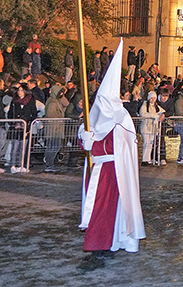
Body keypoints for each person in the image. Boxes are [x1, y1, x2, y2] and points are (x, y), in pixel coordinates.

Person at [78, 40, 145, 269]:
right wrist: (85, 141)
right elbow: (85, 141)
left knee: (106, 209)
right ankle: (103, 241)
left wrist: (93, 145)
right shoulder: (93, 116)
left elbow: (119, 146)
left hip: (113, 172)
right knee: (97, 207)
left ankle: (101, 243)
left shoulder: (121, 118)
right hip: (95, 170)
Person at [8, 86, 37, 173]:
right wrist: (12, 122)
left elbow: (33, 113)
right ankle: (13, 165)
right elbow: (10, 113)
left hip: (25, 127)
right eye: (18, 90)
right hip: (15, 127)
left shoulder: (30, 101)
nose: (19, 92)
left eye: (21, 90)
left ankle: (22, 165)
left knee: (23, 147)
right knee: (15, 146)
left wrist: (28, 125)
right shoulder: (14, 101)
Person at [139, 91, 164, 166]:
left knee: (150, 144)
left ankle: (148, 159)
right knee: (146, 143)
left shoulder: (156, 106)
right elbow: (143, 114)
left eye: (154, 98)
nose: (153, 100)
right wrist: (154, 115)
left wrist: (161, 115)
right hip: (146, 127)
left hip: (153, 128)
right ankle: (145, 159)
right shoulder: (145, 105)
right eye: (151, 98)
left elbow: (162, 111)